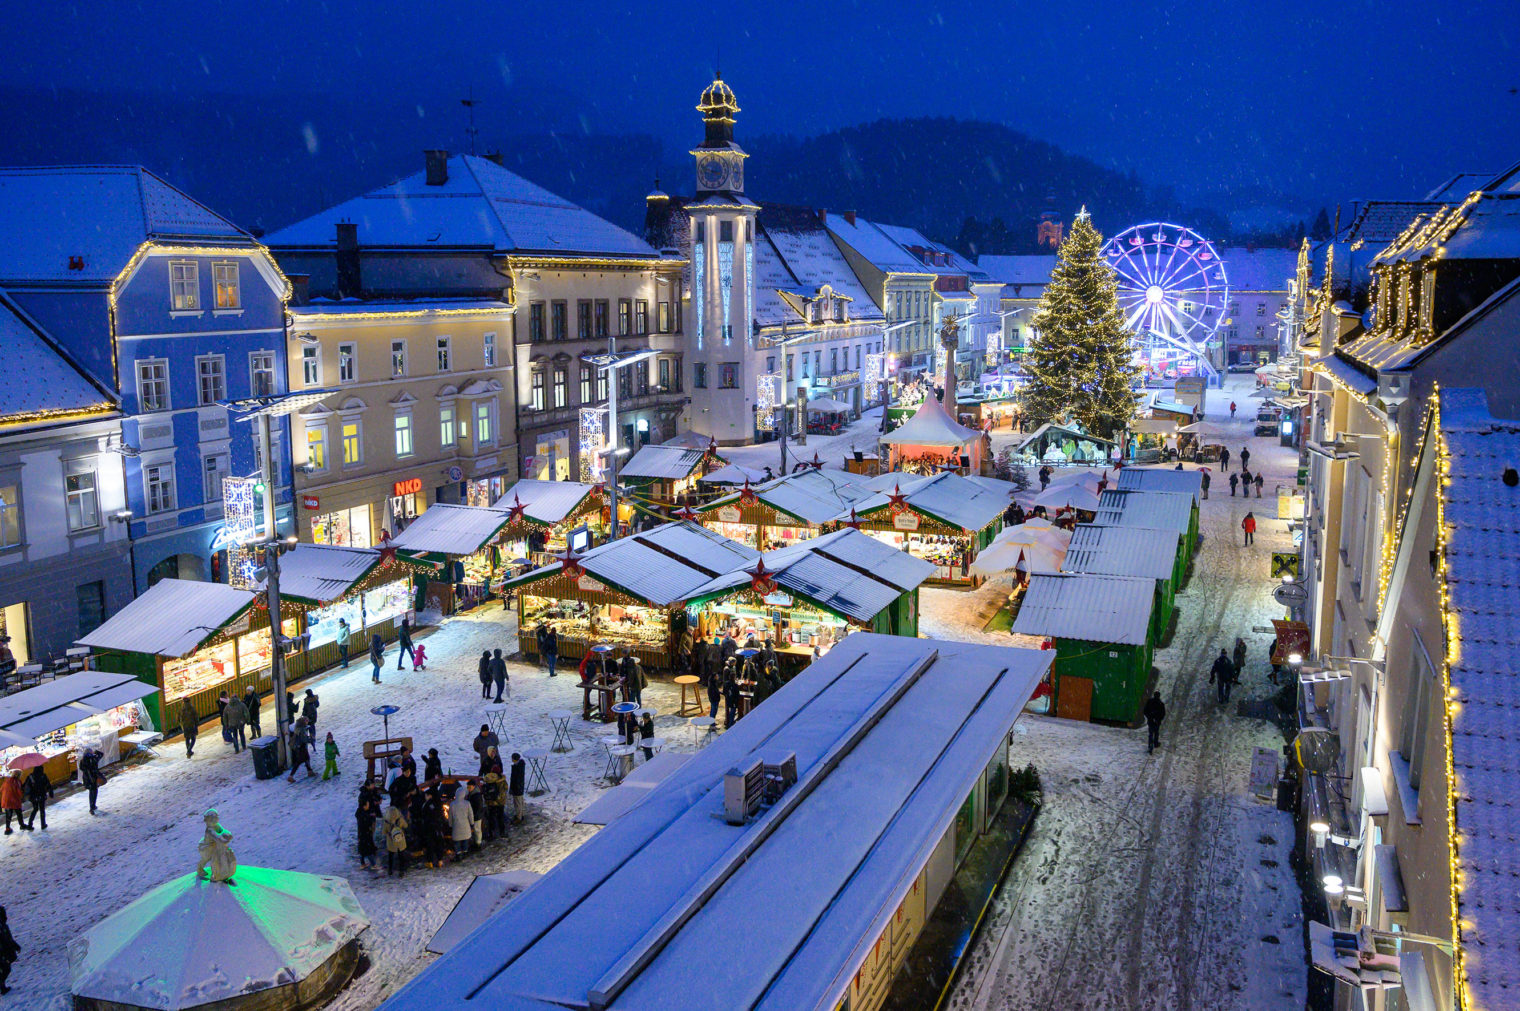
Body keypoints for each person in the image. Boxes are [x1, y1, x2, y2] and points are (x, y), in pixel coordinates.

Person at [448, 783, 475, 860]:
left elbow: (450, 816)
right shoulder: (467, 803)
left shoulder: (452, 804)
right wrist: (472, 823)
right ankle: (465, 851)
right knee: (465, 840)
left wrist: (450, 825)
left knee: (457, 842)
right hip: (465, 826)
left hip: (456, 826)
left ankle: (458, 853)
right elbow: (471, 815)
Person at [383, 799, 409, 877]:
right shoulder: (400, 819)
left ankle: (390, 870)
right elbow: (406, 826)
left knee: (391, 856)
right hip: (400, 840)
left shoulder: (386, 821)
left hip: (391, 841)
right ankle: (401, 870)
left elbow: (384, 831)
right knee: (401, 856)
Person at [482, 762, 507, 840]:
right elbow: (504, 790)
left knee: (491, 818)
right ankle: (502, 832)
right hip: (499, 803)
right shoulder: (501, 780)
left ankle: (491, 833)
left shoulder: (488, 779)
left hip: (490, 802)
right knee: (500, 817)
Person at [355, 794, 379, 870]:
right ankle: (374, 865)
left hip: (361, 834)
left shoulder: (359, 812)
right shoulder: (365, 816)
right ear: (364, 806)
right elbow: (367, 822)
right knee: (368, 850)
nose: (368, 806)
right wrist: (371, 817)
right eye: (367, 804)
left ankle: (363, 864)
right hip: (366, 834)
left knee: (362, 849)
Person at [79, 745, 104, 815]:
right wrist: (95, 752)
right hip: (93, 777)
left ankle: (92, 806)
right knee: (94, 791)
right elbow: (101, 754)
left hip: (87, 778)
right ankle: (92, 806)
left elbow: (82, 768)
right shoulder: (93, 759)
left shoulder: (83, 761)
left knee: (91, 792)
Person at [0, 906, 16, 995]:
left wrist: (15, 945)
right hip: (2, 951)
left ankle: (2, 987)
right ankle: (2, 987)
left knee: (6, 968)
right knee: (6, 968)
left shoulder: (3, 926)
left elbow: (8, 938)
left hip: (4, 951)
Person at [509, 752, 526, 822]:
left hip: (517, 788)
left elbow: (514, 779)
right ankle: (521, 815)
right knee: (520, 802)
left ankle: (519, 817)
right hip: (520, 787)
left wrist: (512, 788)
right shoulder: (520, 766)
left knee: (517, 803)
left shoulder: (516, 767)